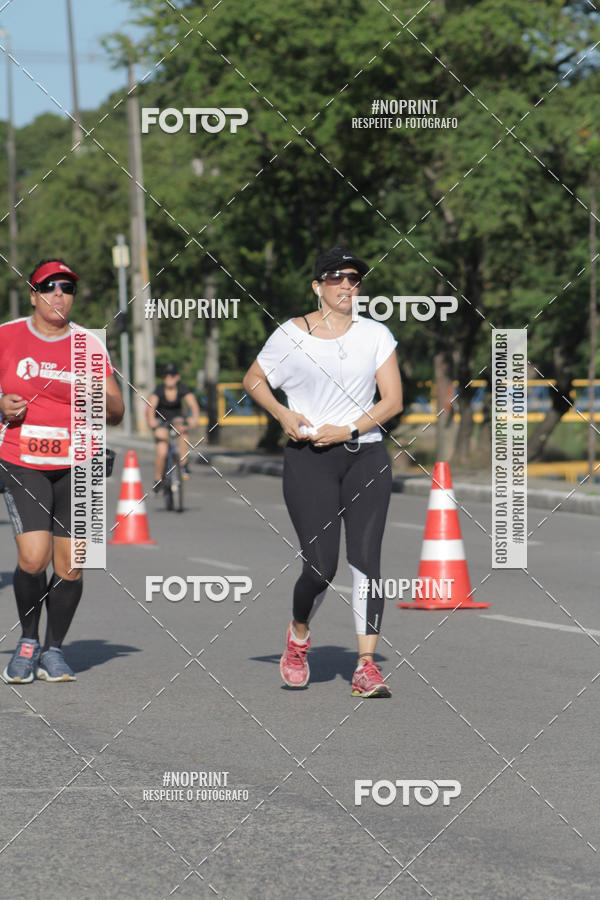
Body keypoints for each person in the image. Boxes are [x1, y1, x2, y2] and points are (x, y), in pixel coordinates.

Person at [243, 246, 403, 697]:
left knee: (367, 562)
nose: (347, 285)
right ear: (317, 286)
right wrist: (281, 413)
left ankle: (366, 666)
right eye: (337, 278)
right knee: (320, 567)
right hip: (309, 457)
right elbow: (253, 379)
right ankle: (298, 635)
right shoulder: (290, 335)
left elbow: (393, 400)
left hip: (365, 455)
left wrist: (349, 429)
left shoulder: (375, 334)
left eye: (354, 278)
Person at [0, 258, 124, 683]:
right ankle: (28, 641)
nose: (59, 294)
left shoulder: (89, 344)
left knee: (72, 565)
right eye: (49, 286)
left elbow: (118, 411)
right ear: (33, 295)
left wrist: (98, 397)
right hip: (23, 460)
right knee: (34, 557)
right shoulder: (7, 336)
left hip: (82, 463)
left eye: (67, 288)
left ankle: (54, 649)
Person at [146, 363, 201, 490]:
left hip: (176, 420)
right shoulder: (159, 390)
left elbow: (193, 404)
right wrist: (151, 420)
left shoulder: (182, 389)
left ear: (177, 377)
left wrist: (194, 418)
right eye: (166, 376)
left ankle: (183, 463)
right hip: (161, 421)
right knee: (162, 450)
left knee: (183, 431)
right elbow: (151, 407)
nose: (168, 378)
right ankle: (158, 479)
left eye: (172, 375)